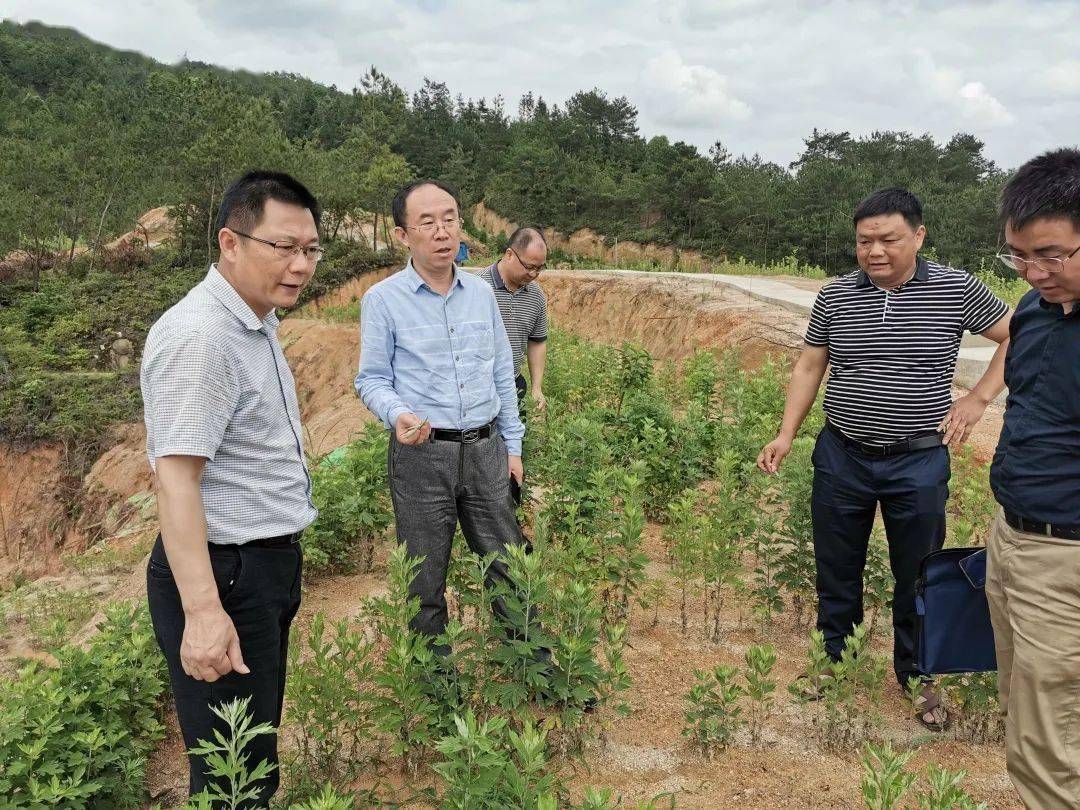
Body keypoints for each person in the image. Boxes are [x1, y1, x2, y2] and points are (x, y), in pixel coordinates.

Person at [756, 187, 1011, 730]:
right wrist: (785, 434)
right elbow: (809, 367)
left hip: (917, 460)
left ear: (918, 235)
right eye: (864, 241)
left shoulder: (954, 288)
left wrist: (978, 397)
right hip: (842, 454)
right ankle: (834, 664)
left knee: (918, 573)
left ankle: (919, 677)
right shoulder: (836, 295)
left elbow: (1018, 334)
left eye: (889, 239)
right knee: (836, 567)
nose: (875, 251)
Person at [141, 171, 322, 804]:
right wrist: (204, 611)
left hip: (260, 566)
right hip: (225, 574)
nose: (300, 265)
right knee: (232, 772)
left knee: (253, 755)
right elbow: (177, 482)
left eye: (310, 250)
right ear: (230, 242)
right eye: (283, 247)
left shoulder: (255, 318)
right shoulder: (202, 336)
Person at [355, 179, 527, 655]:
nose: (441, 231)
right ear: (402, 235)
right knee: (424, 577)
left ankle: (531, 662)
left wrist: (513, 449)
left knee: (509, 563)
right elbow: (370, 379)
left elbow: (502, 374)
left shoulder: (480, 294)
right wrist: (398, 414)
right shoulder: (383, 300)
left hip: (486, 452)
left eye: (449, 218)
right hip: (422, 457)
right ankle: (435, 681)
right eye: (426, 222)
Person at [984, 148, 1080, 809]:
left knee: (1053, 737)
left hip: (1067, 557)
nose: (1033, 271)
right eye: (1018, 255)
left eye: (1051, 254)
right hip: (1012, 540)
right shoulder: (1036, 309)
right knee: (1025, 710)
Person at [477, 227, 550, 416]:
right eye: (529, 266)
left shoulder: (536, 296)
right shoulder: (476, 288)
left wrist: (536, 388)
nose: (534, 274)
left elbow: (537, 342)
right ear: (509, 254)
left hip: (514, 384)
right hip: (477, 388)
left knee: (516, 442)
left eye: (539, 268)